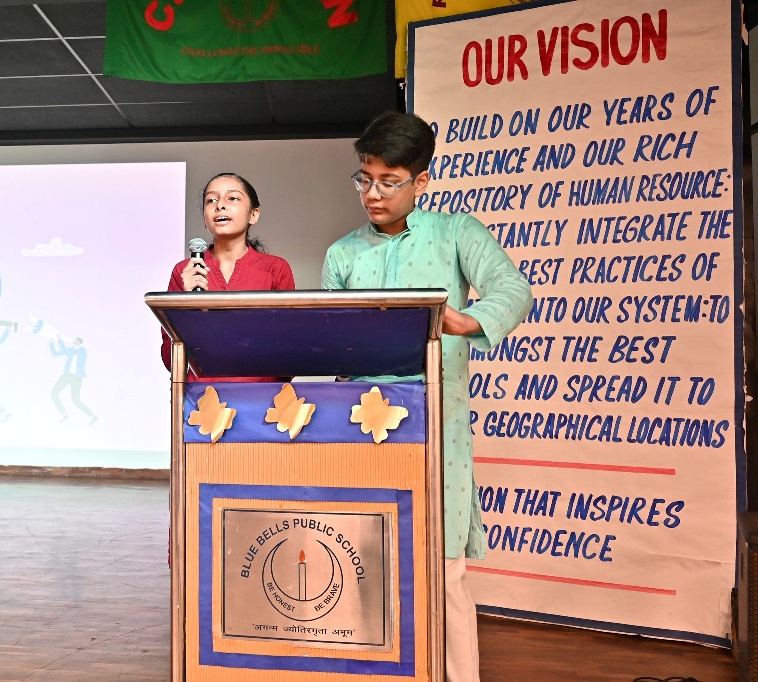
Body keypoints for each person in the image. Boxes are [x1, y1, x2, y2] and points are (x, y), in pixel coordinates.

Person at [321, 111, 532, 682]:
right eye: (364, 179)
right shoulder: (343, 253)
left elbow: (513, 288)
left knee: (444, 571)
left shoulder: (456, 232)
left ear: (421, 181)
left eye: (389, 182)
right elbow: (333, 343)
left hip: (438, 424)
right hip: (363, 427)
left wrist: (468, 320)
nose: (373, 194)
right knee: (362, 563)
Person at [161, 172, 295, 382]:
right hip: (202, 398)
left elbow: (290, 357)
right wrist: (186, 308)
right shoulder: (184, 271)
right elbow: (171, 361)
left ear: (253, 214)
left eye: (232, 198)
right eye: (211, 200)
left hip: (261, 397)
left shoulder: (275, 269)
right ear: (204, 219)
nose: (219, 205)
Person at [49, 335, 98, 425]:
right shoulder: (72, 350)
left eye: (74, 340)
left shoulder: (82, 351)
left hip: (76, 377)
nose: (72, 340)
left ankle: (93, 416)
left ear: (78, 342)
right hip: (67, 375)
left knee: (75, 399)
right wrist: (52, 342)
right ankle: (64, 414)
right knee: (54, 393)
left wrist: (60, 341)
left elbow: (67, 351)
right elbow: (55, 353)